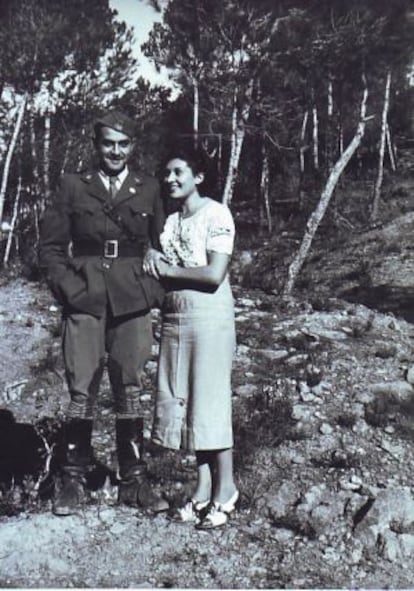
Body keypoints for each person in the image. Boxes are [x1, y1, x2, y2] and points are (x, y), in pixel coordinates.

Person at [39, 110, 168, 516]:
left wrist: (152, 288)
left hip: (132, 297)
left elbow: (164, 244)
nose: (115, 150)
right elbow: (51, 248)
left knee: (129, 385)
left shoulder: (149, 188)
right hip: (86, 295)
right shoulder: (73, 186)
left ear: (132, 147)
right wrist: (70, 290)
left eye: (123, 143)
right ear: (96, 145)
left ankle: (133, 480)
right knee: (82, 387)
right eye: (108, 143)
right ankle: (72, 479)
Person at [143, 147, 238, 529]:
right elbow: (161, 264)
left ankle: (226, 489)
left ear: (198, 177)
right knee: (185, 401)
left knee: (210, 400)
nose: (170, 179)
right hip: (175, 316)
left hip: (210, 315)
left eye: (179, 171)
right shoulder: (170, 222)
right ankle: (201, 489)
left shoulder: (216, 214)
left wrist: (168, 269)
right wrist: (153, 255)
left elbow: (214, 274)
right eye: (166, 172)